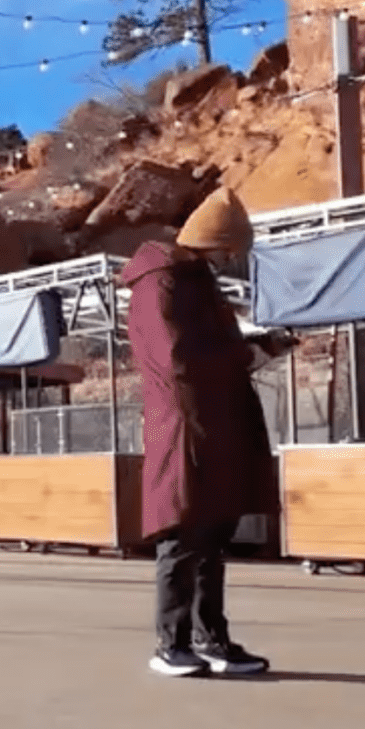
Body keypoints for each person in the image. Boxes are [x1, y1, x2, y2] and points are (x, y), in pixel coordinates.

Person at [122, 188, 279, 679]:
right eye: (229, 249)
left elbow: (200, 350)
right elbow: (176, 358)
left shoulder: (189, 280)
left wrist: (254, 349)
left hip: (211, 421)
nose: (232, 260)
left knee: (211, 536)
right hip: (184, 425)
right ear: (215, 243)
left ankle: (211, 640)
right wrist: (248, 355)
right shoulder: (163, 282)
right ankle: (172, 644)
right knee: (185, 535)